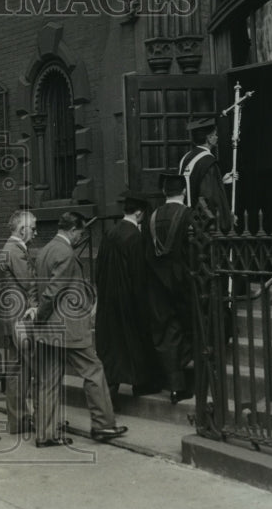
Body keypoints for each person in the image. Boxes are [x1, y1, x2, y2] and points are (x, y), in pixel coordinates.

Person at [33, 211, 127, 447]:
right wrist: (40, 317)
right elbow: (54, 291)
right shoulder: (65, 253)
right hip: (68, 328)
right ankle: (103, 425)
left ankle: (45, 434)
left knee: (49, 381)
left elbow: (42, 288)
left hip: (50, 330)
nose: (80, 237)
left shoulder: (45, 250)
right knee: (93, 371)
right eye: (81, 232)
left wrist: (40, 321)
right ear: (72, 230)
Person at [94, 192, 165, 405]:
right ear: (140, 213)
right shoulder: (134, 237)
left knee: (114, 349)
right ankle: (139, 384)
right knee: (133, 344)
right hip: (128, 300)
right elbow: (138, 275)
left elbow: (99, 269)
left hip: (109, 300)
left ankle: (109, 396)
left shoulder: (110, 234)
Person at [144, 174, 200, 404]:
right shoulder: (189, 215)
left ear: (164, 193)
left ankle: (175, 385)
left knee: (167, 333)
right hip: (184, 282)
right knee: (193, 326)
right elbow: (196, 249)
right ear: (184, 192)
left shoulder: (152, 217)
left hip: (158, 284)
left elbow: (147, 252)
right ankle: (195, 381)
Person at [0, 210, 39, 436]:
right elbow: (29, 281)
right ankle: (43, 420)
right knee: (36, 366)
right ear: (22, 230)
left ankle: (19, 421)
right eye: (33, 228)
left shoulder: (9, 249)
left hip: (11, 318)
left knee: (16, 371)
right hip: (22, 318)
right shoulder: (15, 250)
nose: (35, 232)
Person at [179, 116, 235, 233]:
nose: (217, 137)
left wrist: (221, 181)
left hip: (185, 217)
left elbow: (194, 184)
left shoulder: (186, 158)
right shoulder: (208, 161)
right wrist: (226, 219)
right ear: (209, 138)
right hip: (203, 222)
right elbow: (209, 196)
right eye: (215, 134)